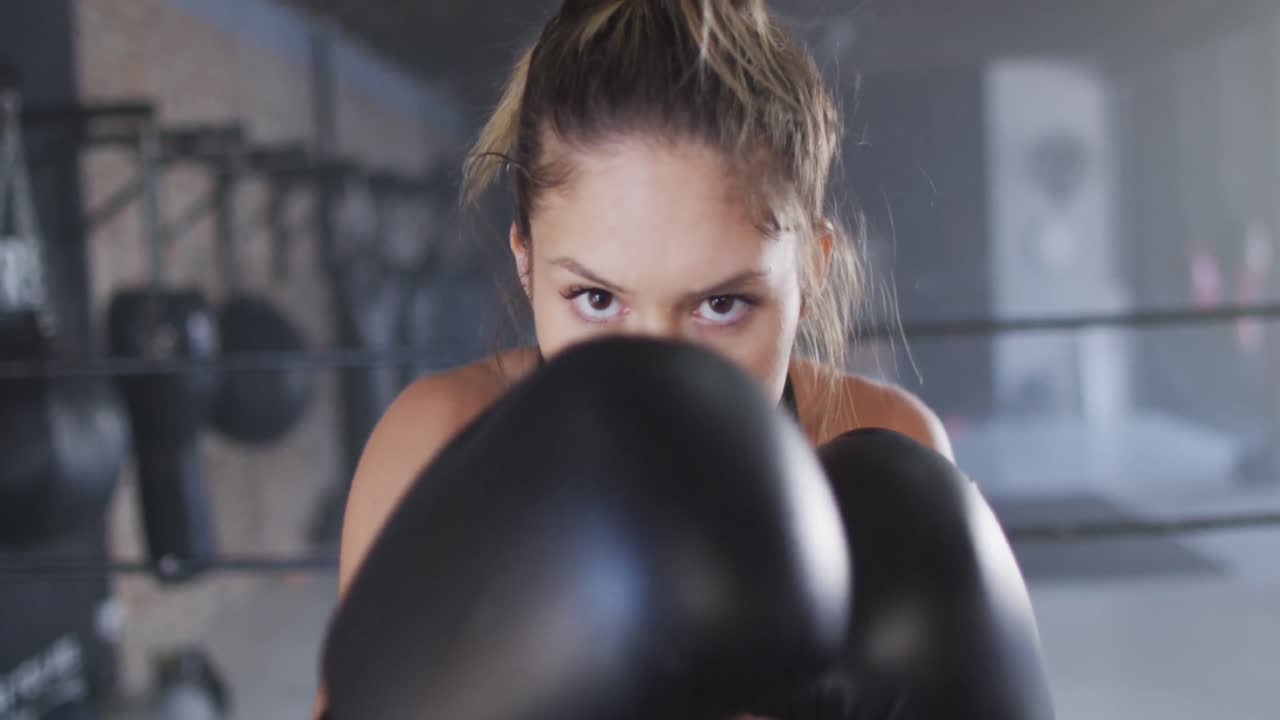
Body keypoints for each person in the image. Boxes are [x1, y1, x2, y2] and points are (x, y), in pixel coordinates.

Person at [317, 1, 1051, 718]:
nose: (659, 380)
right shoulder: (438, 442)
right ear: (527, 264)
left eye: (721, 305)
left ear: (811, 270)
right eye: (598, 299)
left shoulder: (879, 448)